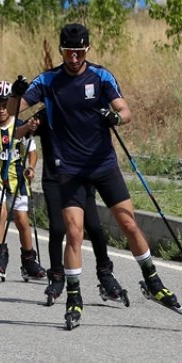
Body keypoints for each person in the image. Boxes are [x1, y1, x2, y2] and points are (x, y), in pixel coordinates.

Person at [15, 22, 182, 327]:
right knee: (75, 232)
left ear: (87, 50)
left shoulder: (101, 76)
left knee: (128, 223)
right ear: (61, 51)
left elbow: (126, 111)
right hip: (69, 170)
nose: (74, 58)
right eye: (69, 52)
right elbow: (14, 116)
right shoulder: (48, 81)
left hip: (103, 164)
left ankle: (153, 282)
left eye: (79, 52)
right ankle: (74, 298)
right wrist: (15, 96)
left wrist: (115, 117)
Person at [28, 46, 123, 307]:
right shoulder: (46, 108)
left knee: (93, 226)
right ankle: (57, 277)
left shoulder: (75, 107)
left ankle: (105, 273)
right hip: (53, 176)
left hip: (77, 176)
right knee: (59, 228)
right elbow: (19, 131)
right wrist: (28, 126)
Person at [0, 80, 45, 285]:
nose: (2, 110)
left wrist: (31, 168)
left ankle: (29, 262)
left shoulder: (21, 126)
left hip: (18, 179)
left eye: (5, 105)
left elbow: (32, 153)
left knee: (22, 220)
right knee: (0, 211)